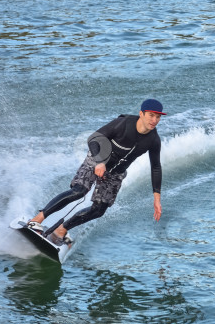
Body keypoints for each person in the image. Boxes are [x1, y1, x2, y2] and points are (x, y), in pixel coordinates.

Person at [28, 99, 166, 245]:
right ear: (141, 114)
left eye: (158, 117)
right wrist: (100, 162)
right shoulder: (123, 124)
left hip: (116, 173)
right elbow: (93, 138)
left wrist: (157, 199)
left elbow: (156, 167)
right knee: (79, 191)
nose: (154, 120)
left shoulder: (153, 140)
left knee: (99, 209)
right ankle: (37, 220)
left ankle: (60, 231)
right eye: (151, 115)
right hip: (98, 157)